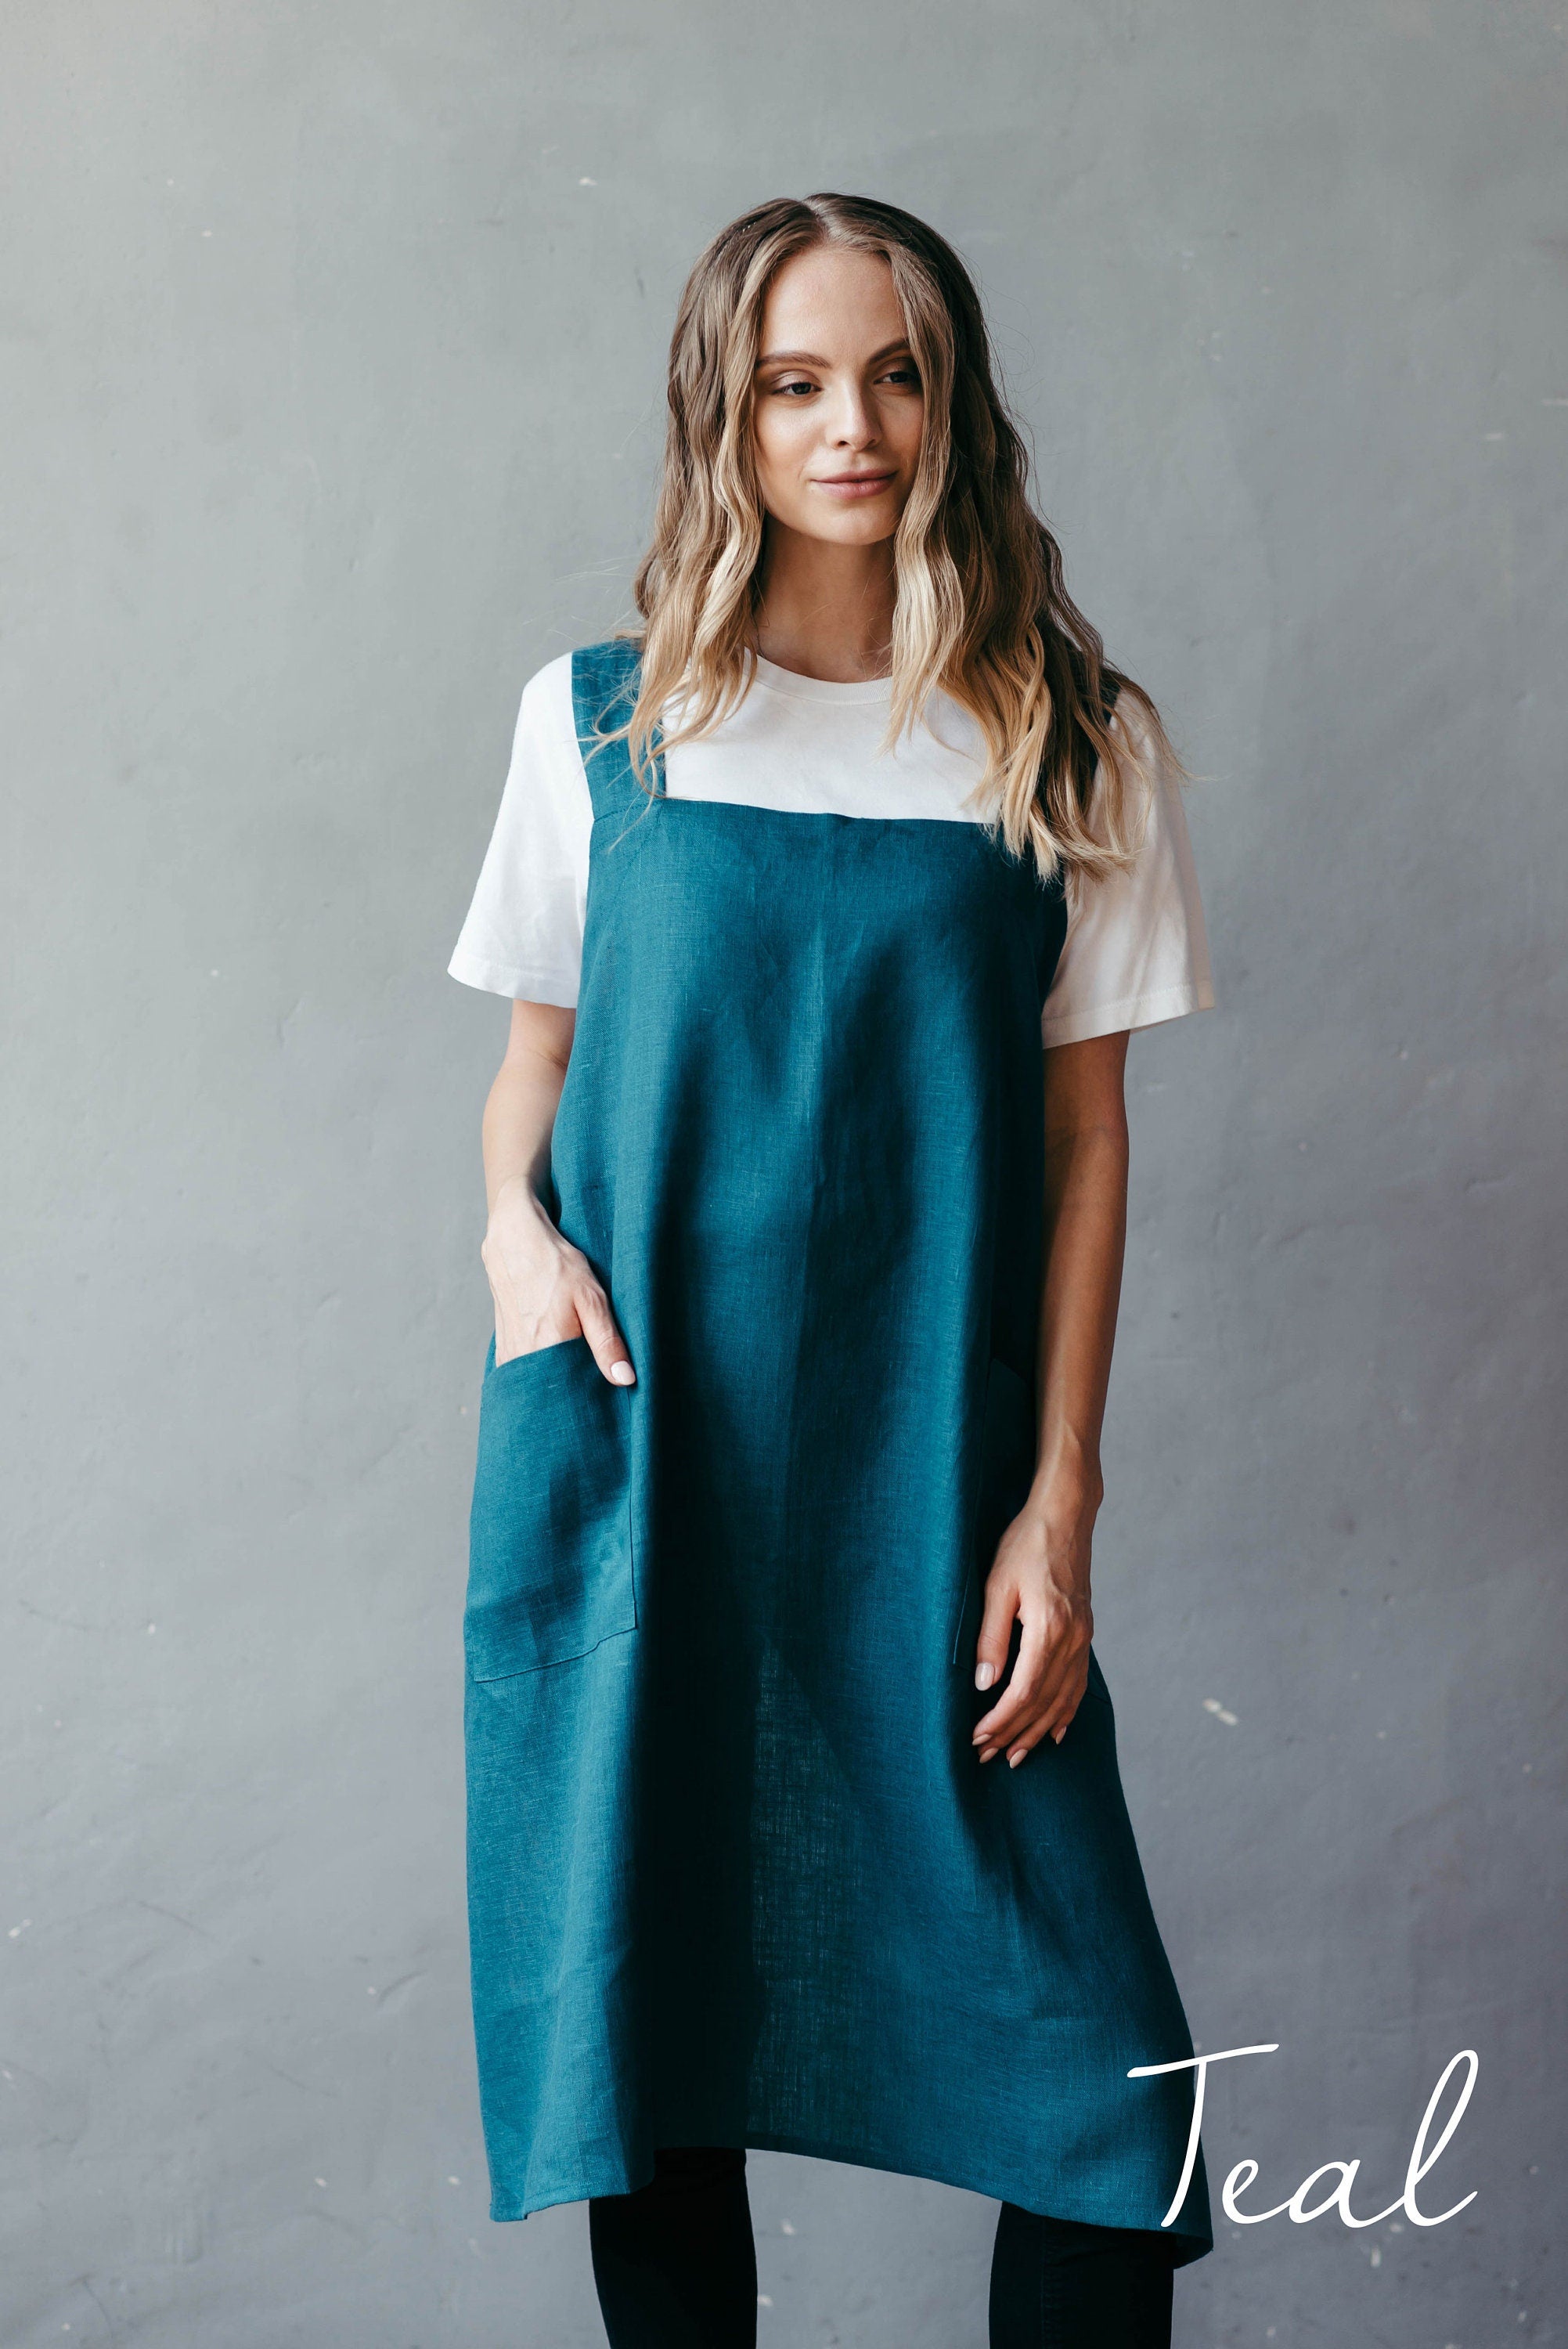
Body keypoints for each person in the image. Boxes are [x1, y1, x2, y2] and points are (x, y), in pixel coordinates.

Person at [446, 193, 1217, 2349]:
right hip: (646, 1456)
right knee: (658, 2063)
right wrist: (514, 1238)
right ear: (727, 411)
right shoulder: (604, 724)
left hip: (931, 1486)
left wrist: (1057, 1508)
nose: (850, 425)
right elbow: (536, 1071)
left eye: (893, 373)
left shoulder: (1070, 738)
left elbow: (1082, 1150)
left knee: (1100, 2104)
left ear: (951, 399)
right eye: (794, 382)